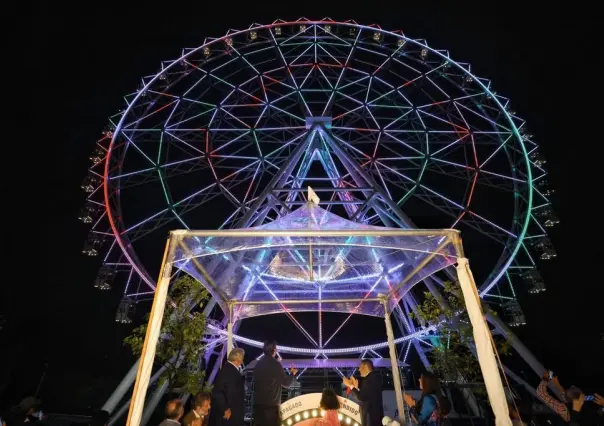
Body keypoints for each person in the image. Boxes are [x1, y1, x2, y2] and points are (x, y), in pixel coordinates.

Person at [253, 340, 298, 426]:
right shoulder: (275, 364)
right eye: (276, 349)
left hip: (258, 406)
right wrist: (292, 373)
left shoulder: (258, 364)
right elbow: (287, 383)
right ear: (273, 350)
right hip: (271, 408)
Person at [210, 348, 246, 426]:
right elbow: (217, 392)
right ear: (238, 358)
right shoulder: (228, 370)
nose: (243, 360)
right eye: (242, 357)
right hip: (230, 417)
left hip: (232, 416)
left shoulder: (229, 369)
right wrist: (225, 409)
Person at [343, 360, 383, 426]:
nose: (359, 370)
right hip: (372, 417)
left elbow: (361, 397)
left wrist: (351, 386)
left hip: (371, 418)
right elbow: (366, 394)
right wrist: (356, 387)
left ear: (366, 366)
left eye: (360, 367)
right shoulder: (372, 378)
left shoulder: (371, 379)